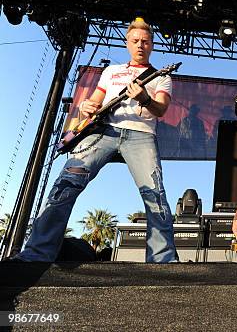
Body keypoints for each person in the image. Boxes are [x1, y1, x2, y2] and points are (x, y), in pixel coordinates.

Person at [15, 18, 177, 263]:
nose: (140, 45)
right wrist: (86, 106)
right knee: (66, 184)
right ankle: (36, 253)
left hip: (141, 135)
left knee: (154, 194)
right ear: (127, 43)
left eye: (145, 41)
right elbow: (92, 103)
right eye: (135, 41)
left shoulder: (160, 77)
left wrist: (144, 99)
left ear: (152, 44)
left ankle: (163, 259)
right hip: (103, 131)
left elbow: (161, 109)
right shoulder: (111, 72)